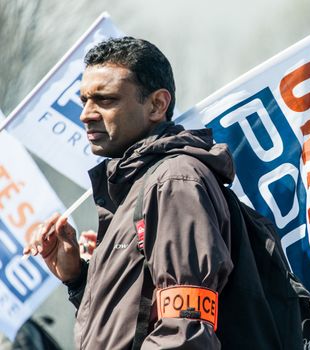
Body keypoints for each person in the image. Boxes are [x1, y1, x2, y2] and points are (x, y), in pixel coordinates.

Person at [24, 36, 235, 349]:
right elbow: (131, 325)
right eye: (85, 101)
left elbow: (184, 331)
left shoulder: (172, 183)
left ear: (157, 105)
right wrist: (79, 278)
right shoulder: (142, 183)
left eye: (106, 100)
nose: (86, 114)